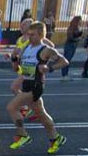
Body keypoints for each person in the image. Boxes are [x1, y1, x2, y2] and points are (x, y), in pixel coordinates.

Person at [7, 22, 69, 154]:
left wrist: (49, 68)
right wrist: (13, 59)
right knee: (41, 114)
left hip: (36, 86)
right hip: (26, 84)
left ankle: (23, 135)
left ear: (41, 35)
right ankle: (56, 137)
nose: (29, 37)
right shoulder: (26, 48)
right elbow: (17, 69)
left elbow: (64, 61)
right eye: (28, 34)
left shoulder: (46, 49)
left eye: (32, 35)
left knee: (11, 107)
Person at [61, 16, 83, 81]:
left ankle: (65, 75)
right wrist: (78, 39)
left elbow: (78, 35)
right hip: (69, 45)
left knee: (68, 60)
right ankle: (64, 75)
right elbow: (70, 38)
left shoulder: (78, 27)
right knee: (66, 60)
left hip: (74, 45)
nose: (81, 21)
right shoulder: (71, 27)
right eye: (80, 20)